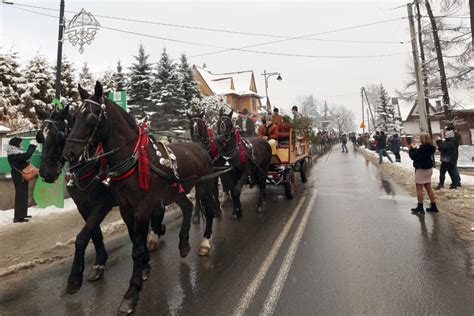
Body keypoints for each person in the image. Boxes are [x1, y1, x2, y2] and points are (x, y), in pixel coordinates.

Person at [7, 137, 37, 223]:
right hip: (18, 176)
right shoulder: (13, 153)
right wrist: (32, 145)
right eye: (19, 143)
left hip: (22, 175)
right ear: (15, 144)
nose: (21, 144)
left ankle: (23, 214)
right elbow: (27, 155)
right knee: (20, 195)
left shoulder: (16, 152)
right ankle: (18, 217)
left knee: (24, 194)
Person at [409, 133, 438, 213]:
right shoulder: (431, 148)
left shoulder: (422, 149)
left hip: (421, 170)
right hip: (429, 169)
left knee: (419, 189)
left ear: (423, 139)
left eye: (421, 138)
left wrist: (412, 148)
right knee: (429, 188)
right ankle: (434, 205)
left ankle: (420, 207)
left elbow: (413, 156)